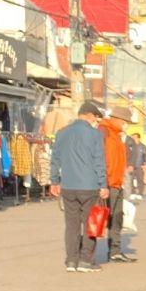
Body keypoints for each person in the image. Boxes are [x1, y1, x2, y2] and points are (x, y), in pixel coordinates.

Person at [50, 101, 108, 272]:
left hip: (68, 186)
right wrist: (103, 184)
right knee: (91, 223)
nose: (96, 122)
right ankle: (85, 261)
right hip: (89, 186)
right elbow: (99, 161)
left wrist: (54, 181)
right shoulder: (95, 134)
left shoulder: (62, 133)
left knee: (71, 224)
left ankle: (71, 260)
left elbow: (55, 160)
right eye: (95, 118)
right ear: (89, 115)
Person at [99, 107, 136, 263]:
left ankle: (115, 251)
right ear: (118, 120)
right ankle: (86, 254)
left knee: (117, 218)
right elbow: (100, 158)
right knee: (101, 218)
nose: (126, 125)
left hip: (117, 182)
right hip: (107, 183)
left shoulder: (117, 135)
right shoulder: (104, 131)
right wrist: (103, 183)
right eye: (125, 122)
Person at [126, 130, 146, 197]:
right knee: (131, 180)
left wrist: (145, 164)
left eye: (135, 137)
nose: (133, 139)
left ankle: (140, 193)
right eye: (132, 137)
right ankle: (132, 193)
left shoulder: (143, 146)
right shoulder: (130, 146)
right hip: (131, 165)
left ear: (139, 138)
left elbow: (145, 156)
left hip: (139, 166)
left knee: (140, 180)